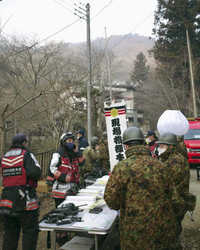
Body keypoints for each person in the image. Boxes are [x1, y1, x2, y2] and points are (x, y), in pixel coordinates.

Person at [104, 126, 180, 250]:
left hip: (134, 232)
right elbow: (174, 198)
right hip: (161, 230)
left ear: (126, 146)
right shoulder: (160, 166)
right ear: (143, 143)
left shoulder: (122, 167)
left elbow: (112, 201)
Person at [0, 133, 41, 250]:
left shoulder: (5, 156)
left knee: (9, 235)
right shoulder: (27, 155)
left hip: (6, 202)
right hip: (25, 203)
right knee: (29, 233)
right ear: (24, 143)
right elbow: (36, 172)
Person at [156, 132, 193, 247]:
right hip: (177, 201)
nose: (160, 148)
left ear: (170, 146)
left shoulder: (174, 161)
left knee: (170, 235)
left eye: (162, 145)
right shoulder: (173, 158)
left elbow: (164, 183)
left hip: (175, 203)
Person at [49, 131, 83, 207]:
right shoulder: (58, 154)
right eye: (69, 141)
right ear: (63, 142)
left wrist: (78, 153)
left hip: (73, 189)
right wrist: (63, 177)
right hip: (60, 190)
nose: (71, 143)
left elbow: (81, 163)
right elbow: (52, 168)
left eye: (72, 141)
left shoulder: (73, 154)